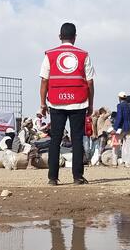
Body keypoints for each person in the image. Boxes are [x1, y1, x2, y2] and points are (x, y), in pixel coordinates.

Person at [39, 22, 95, 185]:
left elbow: (44, 80)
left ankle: (53, 178)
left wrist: (42, 104)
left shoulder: (50, 54)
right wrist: (90, 104)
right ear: (75, 37)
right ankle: (77, 177)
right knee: (77, 138)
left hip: (56, 102)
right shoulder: (84, 55)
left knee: (55, 139)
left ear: (59, 37)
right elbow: (90, 82)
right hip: (78, 102)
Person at [114, 92, 130, 167]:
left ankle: (114, 162)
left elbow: (119, 117)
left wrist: (115, 128)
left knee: (115, 143)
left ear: (119, 98)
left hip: (122, 128)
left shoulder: (120, 106)